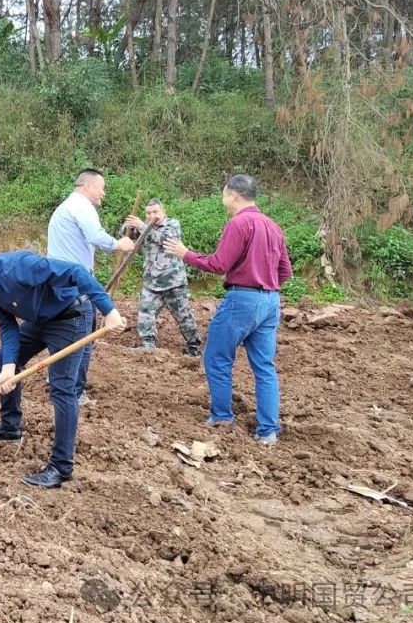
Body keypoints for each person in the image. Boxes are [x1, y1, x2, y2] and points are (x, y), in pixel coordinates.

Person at [0, 241, 127, 488]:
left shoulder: (20, 266)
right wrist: (8, 368)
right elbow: (7, 325)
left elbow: (76, 272)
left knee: (62, 388)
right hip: (41, 320)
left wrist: (109, 311)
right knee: (3, 358)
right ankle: (10, 427)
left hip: (70, 316)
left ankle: (61, 467)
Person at [162, 175, 292, 445]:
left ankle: (222, 417)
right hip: (271, 301)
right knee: (264, 366)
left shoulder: (238, 224)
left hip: (242, 299)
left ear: (233, 194)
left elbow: (219, 264)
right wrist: (266, 286)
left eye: (223, 194)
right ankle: (267, 431)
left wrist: (186, 254)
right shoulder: (273, 226)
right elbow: (285, 271)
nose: (222, 199)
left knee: (216, 357)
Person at [46, 168, 135, 407]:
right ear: (87, 186)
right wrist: (119, 244)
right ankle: (74, 392)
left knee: (68, 335)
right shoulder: (81, 206)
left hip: (61, 283)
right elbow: (96, 235)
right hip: (75, 285)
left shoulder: (66, 207)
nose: (103, 193)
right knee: (82, 339)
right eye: (101, 188)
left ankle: (61, 381)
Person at [123, 199, 201, 355]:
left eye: (155, 212)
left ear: (163, 212)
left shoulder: (172, 225)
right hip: (151, 282)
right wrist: (128, 227)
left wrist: (142, 226)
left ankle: (194, 348)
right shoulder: (144, 226)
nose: (152, 215)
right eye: (148, 213)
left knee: (184, 317)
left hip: (173, 282)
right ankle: (148, 346)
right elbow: (127, 236)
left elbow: (165, 240)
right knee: (145, 312)